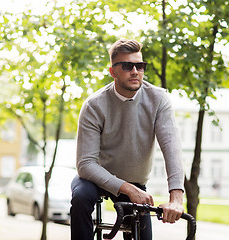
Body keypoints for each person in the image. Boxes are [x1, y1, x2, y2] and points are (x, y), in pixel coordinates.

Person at [70, 39, 185, 240]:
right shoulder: (94, 106)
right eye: (127, 66)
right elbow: (85, 164)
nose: (135, 71)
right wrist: (126, 188)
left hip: (135, 181)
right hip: (96, 179)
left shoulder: (158, 100)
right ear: (112, 71)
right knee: (80, 199)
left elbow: (172, 148)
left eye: (139, 66)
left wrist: (176, 198)